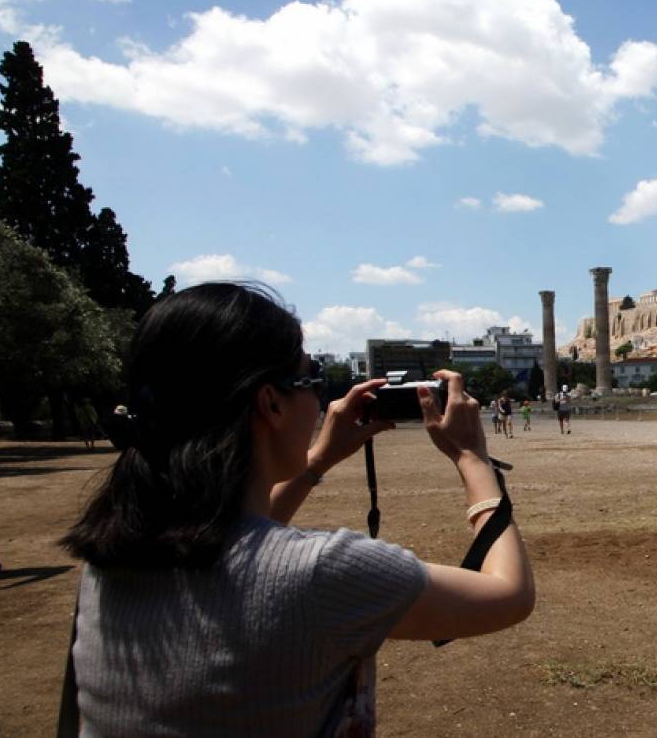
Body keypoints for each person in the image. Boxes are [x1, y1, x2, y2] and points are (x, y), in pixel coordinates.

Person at [57, 282, 534, 735]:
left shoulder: (111, 562)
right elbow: (508, 595)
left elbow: (237, 541)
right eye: (312, 379)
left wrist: (319, 459)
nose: (321, 399)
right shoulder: (320, 573)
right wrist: (472, 459)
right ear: (271, 402)